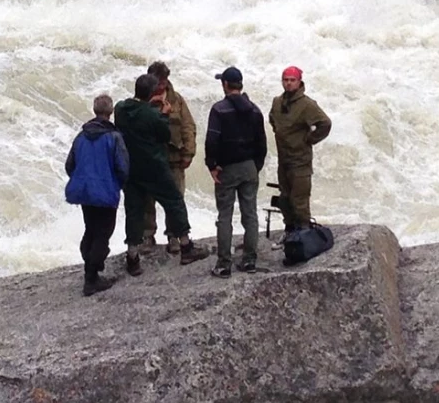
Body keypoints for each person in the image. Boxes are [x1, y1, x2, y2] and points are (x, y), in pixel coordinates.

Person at [114, 73, 209, 276]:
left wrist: (149, 104)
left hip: (132, 169)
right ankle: (185, 246)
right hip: (154, 167)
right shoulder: (153, 115)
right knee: (174, 201)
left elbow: (134, 111)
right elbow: (164, 135)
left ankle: (132, 257)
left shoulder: (121, 109)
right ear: (151, 93)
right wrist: (164, 114)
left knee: (134, 211)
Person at [204, 66, 267, 278]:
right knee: (250, 214)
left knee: (225, 215)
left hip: (227, 168)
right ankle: (249, 260)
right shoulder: (255, 110)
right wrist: (255, 165)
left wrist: (211, 165)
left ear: (225, 85)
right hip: (249, 166)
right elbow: (262, 143)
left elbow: (212, 140)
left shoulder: (219, 109)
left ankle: (223, 264)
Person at [64, 94, 130, 296]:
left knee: (91, 229)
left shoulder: (81, 136)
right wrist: (116, 184)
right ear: (110, 113)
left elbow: (70, 165)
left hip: (85, 192)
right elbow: (123, 167)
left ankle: (89, 264)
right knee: (103, 233)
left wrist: (83, 180)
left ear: (95, 111)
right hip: (106, 192)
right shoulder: (114, 137)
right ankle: (91, 277)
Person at [268, 66, 332, 241]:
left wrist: (309, 139)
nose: (288, 83)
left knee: (300, 200)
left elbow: (325, 124)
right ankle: (289, 231)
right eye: (285, 80)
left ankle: (304, 235)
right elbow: (272, 118)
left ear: (299, 82)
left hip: (300, 161)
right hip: (284, 159)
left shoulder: (307, 105)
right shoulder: (277, 102)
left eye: (292, 80)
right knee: (285, 197)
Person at [141, 61, 196, 255]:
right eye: (158, 82)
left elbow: (188, 126)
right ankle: (147, 235)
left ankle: (173, 235)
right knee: (147, 200)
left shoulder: (177, 100)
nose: (161, 86)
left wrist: (188, 152)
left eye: (164, 82)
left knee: (175, 199)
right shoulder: (141, 100)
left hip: (173, 159)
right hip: (149, 160)